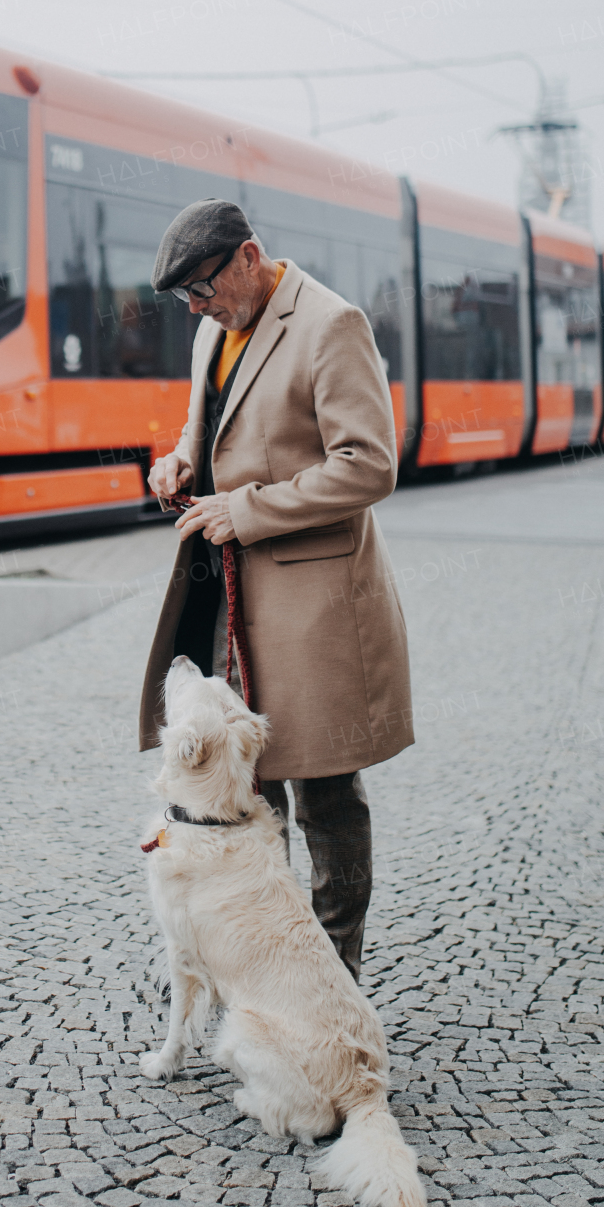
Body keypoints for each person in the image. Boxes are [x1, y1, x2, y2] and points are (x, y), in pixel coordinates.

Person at [140, 198, 413, 985]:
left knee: (325, 793)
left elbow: (369, 465)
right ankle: (272, 964)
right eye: (186, 298)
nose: (198, 306)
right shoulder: (213, 331)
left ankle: (335, 982)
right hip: (235, 598)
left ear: (249, 256)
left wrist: (246, 508)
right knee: (253, 791)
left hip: (317, 606)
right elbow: (219, 432)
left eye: (203, 288)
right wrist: (182, 463)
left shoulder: (331, 325)